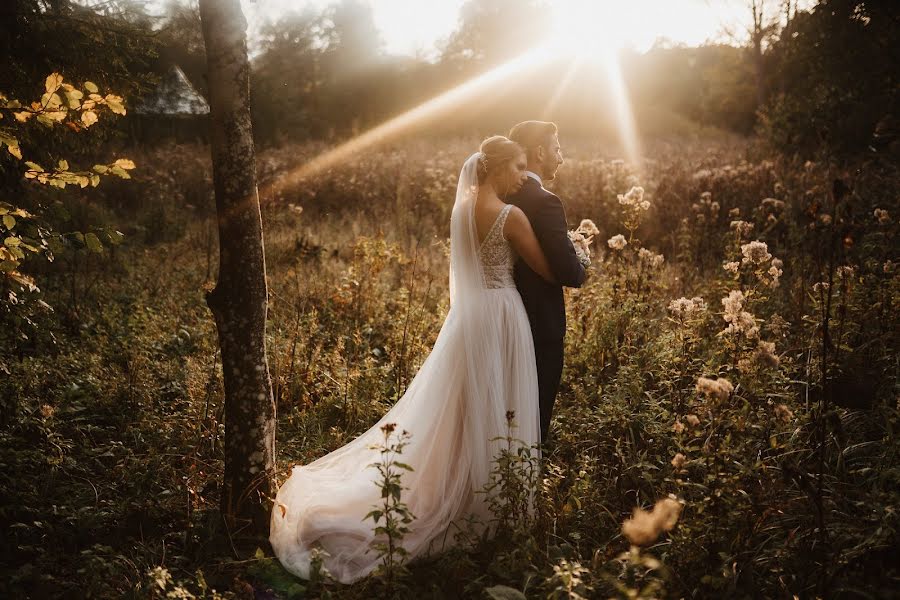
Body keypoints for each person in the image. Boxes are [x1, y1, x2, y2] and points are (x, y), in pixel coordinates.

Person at [270, 136, 556, 584]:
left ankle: (465, 488)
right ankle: (490, 505)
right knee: (499, 404)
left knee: (463, 406)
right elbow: (547, 268)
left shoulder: (462, 212)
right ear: (497, 169)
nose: (523, 175)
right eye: (518, 166)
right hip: (501, 313)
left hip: (468, 317)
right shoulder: (511, 215)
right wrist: (576, 248)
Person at [506, 120, 587, 444]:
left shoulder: (497, 196)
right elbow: (568, 272)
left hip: (501, 313)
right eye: (556, 148)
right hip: (541, 323)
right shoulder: (545, 201)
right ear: (539, 152)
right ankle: (526, 480)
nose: (561, 157)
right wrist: (581, 261)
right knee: (535, 411)